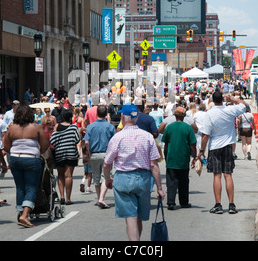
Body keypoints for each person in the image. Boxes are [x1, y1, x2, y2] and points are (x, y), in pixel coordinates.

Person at [103, 103, 165, 241]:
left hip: (123, 178)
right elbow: (154, 165)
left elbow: (107, 163)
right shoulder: (148, 137)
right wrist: (159, 188)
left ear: (123, 117)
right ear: (136, 117)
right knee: (139, 217)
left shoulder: (117, 137)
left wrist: (107, 179)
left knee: (130, 217)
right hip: (143, 179)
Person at [199, 91, 248, 215]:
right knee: (228, 175)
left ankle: (218, 204)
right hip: (227, 146)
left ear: (212, 101)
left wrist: (201, 151)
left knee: (217, 176)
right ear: (222, 99)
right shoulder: (230, 110)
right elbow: (244, 105)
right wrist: (232, 98)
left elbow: (205, 135)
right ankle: (231, 204)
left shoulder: (209, 114)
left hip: (215, 146)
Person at [4, 106, 48, 228]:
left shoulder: (11, 129)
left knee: (20, 187)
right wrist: (38, 152)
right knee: (31, 188)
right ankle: (24, 215)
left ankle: (21, 213)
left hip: (15, 159)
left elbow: (6, 146)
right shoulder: (35, 127)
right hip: (31, 159)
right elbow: (45, 145)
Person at [162, 107, 197, 210]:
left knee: (171, 180)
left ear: (175, 115)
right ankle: (184, 202)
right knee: (184, 180)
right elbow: (193, 144)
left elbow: (166, 143)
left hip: (171, 157)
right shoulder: (188, 128)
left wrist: (167, 155)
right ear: (184, 116)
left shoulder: (169, 127)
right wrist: (194, 157)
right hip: (183, 157)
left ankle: (171, 202)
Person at [83, 105, 116, 209]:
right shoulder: (109, 126)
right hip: (106, 154)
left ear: (96, 114)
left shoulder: (90, 126)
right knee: (106, 177)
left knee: (96, 177)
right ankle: (101, 198)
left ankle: (99, 198)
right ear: (106, 114)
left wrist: (88, 153)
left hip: (94, 154)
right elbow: (114, 142)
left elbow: (86, 141)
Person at [50, 111, 80, 205]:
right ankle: (68, 199)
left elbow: (52, 140)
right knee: (68, 175)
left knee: (60, 175)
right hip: (71, 153)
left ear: (62, 117)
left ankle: (62, 196)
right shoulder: (74, 127)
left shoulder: (57, 127)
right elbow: (77, 140)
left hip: (59, 153)